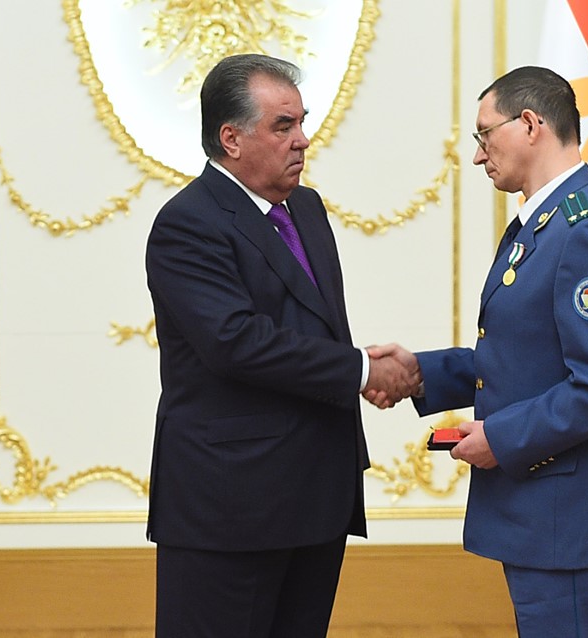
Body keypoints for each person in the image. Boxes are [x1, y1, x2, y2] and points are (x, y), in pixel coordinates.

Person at [376, 66, 588, 637]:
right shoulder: (544, 224)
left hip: (567, 520)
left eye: (485, 134)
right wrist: (421, 373)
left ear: (530, 124)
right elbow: (527, 355)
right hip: (549, 517)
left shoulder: (581, 229)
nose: (478, 154)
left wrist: (502, 438)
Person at [144, 54, 419, 638]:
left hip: (317, 493)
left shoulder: (306, 209)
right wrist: (361, 370)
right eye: (283, 126)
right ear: (231, 139)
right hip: (232, 505)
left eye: (302, 122)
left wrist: (365, 369)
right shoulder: (187, 223)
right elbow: (236, 342)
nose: (303, 140)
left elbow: (316, 327)